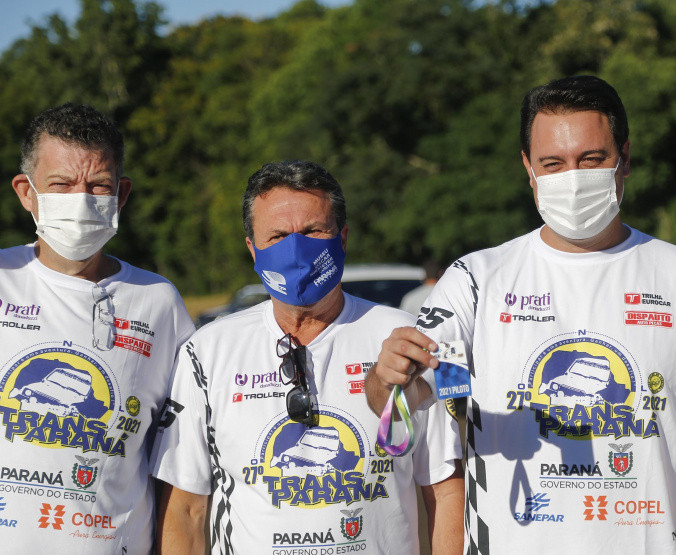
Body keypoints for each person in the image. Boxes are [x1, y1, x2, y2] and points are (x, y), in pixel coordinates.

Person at [366, 75, 676, 554]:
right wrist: (390, 379)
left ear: (624, 158)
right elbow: (407, 399)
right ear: (528, 168)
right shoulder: (475, 280)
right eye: (552, 164)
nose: (572, 179)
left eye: (591, 159)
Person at [151, 160, 464, 555]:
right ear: (252, 248)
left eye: (314, 231)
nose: (296, 249)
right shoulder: (207, 352)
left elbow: (446, 489)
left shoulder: (406, 338)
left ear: (343, 238)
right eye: (278, 236)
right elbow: (185, 509)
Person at [0, 103, 195, 553]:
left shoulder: (158, 302)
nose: (81, 199)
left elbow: (182, 469)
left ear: (121, 194)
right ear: (26, 192)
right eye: (61, 184)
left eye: (98, 185)